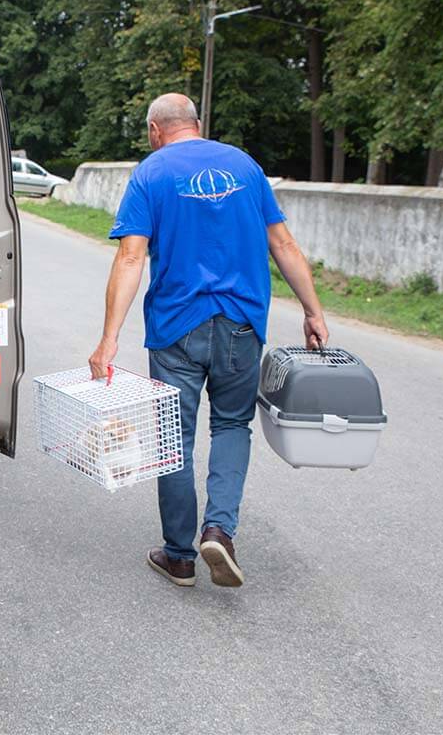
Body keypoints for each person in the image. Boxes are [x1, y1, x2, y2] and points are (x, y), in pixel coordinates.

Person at [88, 93, 328, 589]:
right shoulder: (244, 166)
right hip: (242, 324)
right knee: (232, 427)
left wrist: (108, 339)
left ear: (156, 130)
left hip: (177, 327)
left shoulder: (151, 174)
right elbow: (282, 243)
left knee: (173, 439)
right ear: (197, 124)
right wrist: (313, 310)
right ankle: (219, 529)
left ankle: (179, 557)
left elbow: (131, 259)